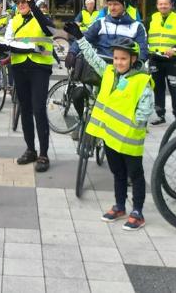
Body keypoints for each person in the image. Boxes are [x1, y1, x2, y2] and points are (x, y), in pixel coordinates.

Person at [65, 22, 154, 230]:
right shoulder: (109, 73)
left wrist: (136, 124)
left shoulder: (142, 80)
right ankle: (120, 205)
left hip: (129, 139)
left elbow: (145, 109)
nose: (118, 62)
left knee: (135, 175)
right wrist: (80, 38)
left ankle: (137, 212)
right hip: (111, 137)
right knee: (118, 173)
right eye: (116, 58)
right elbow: (92, 57)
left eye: (123, 59)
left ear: (133, 59)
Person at [0, 0, 55, 172]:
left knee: (39, 109)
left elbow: (49, 31)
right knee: (24, 109)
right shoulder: (14, 21)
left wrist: (35, 7)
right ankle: (30, 150)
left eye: (25, 1)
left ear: (32, 1)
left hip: (39, 68)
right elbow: (8, 42)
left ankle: (44, 154)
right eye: (18, 2)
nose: (21, 5)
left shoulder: (41, 17)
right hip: (19, 68)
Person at [147, 0, 176, 125]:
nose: (163, 6)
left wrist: (175, 49)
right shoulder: (152, 18)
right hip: (155, 59)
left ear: (171, 5)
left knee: (175, 89)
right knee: (157, 89)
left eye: (165, 4)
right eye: (160, 4)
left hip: (173, 61)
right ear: (157, 5)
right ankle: (160, 115)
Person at [84, 0, 148, 61]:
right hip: (100, 67)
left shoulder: (137, 27)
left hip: (124, 69)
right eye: (109, 4)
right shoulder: (100, 23)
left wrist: (137, 66)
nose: (112, 8)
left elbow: (142, 51)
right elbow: (84, 40)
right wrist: (72, 52)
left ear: (125, 5)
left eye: (116, 4)